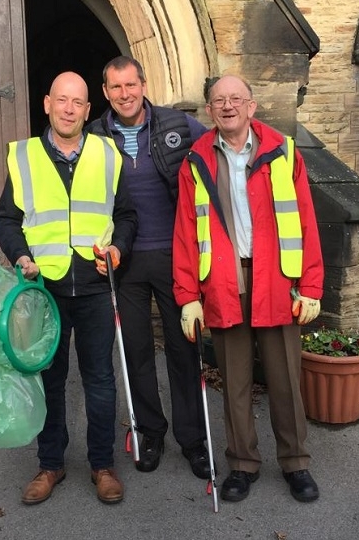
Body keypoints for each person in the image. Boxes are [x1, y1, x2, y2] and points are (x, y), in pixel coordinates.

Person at [172, 75, 325, 503]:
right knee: (234, 382)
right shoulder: (195, 160)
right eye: (218, 100)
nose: (227, 106)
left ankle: (296, 463)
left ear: (252, 106)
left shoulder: (283, 152)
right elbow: (186, 232)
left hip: (276, 280)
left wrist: (310, 285)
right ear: (209, 111)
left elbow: (307, 222)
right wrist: (187, 297)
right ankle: (242, 464)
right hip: (223, 280)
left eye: (236, 99)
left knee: (285, 381)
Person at [0, 71, 137, 505]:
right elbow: (6, 219)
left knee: (99, 381)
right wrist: (20, 256)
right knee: (50, 381)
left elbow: (127, 215)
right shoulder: (24, 156)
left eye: (78, 102)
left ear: (88, 110)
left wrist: (118, 250)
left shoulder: (109, 155)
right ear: (47, 104)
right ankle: (50, 464)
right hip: (46, 288)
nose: (69, 108)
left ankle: (102, 466)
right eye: (62, 100)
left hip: (94, 286)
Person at [86, 56, 214, 478]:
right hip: (122, 262)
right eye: (115, 88)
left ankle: (194, 440)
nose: (125, 94)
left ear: (143, 84)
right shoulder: (94, 137)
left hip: (176, 257)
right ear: (105, 93)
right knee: (136, 351)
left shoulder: (178, 125)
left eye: (131, 85)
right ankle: (150, 432)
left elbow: (215, 157)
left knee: (183, 348)